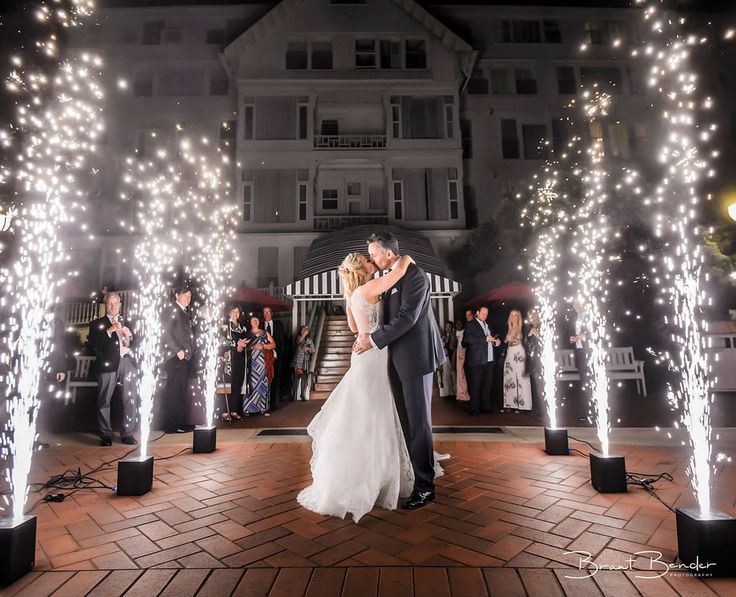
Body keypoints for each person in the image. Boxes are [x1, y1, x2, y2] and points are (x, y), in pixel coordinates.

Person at [298, 250, 419, 522]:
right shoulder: (369, 287)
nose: (371, 261)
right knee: (376, 412)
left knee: (362, 413)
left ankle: (361, 472)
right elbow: (398, 273)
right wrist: (408, 258)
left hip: (360, 355)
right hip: (374, 355)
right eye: (367, 259)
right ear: (362, 269)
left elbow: (355, 329)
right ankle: (377, 475)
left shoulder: (352, 295)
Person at [353, 231, 445, 510]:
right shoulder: (390, 276)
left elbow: (408, 318)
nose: (371, 258)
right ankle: (414, 475)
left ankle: (426, 487)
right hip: (394, 360)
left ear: (388, 253)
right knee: (406, 423)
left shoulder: (415, 275)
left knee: (419, 424)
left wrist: (373, 341)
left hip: (416, 359)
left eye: (374, 253)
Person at [87, 292, 138, 445]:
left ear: (120, 304)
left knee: (130, 399)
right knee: (104, 400)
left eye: (116, 303)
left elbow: (138, 343)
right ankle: (106, 435)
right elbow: (93, 346)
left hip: (127, 362)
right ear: (105, 305)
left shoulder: (129, 321)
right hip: (107, 364)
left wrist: (132, 337)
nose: (113, 306)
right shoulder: (97, 324)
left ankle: (128, 433)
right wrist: (108, 331)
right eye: (110, 303)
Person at [162, 286, 195, 433]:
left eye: (190, 296)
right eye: (185, 295)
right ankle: (171, 425)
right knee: (174, 390)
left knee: (181, 390)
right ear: (177, 295)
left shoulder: (184, 312)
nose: (188, 298)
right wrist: (178, 350)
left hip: (184, 357)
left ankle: (181, 422)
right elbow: (166, 332)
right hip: (175, 357)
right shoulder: (172, 309)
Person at [462, 306, 501, 416]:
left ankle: (485, 406)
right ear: (478, 313)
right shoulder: (471, 324)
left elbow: (490, 339)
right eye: (483, 313)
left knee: (487, 384)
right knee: (475, 385)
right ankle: (474, 408)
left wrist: (495, 342)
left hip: (489, 359)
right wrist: (484, 339)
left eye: (486, 314)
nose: (485, 315)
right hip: (477, 360)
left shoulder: (488, 325)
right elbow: (468, 340)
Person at [218, 304, 249, 422]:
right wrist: (236, 345)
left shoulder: (243, 328)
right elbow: (221, 341)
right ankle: (226, 411)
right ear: (229, 312)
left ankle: (235, 410)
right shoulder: (225, 327)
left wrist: (243, 344)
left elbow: (247, 339)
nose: (235, 314)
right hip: (229, 358)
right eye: (233, 311)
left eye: (237, 312)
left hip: (240, 357)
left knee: (237, 383)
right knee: (228, 383)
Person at [242, 315, 275, 416]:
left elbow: (273, 344)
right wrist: (253, 346)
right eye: (253, 320)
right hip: (251, 364)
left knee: (263, 384)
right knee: (250, 385)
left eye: (256, 320)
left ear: (259, 321)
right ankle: (247, 408)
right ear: (250, 322)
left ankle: (263, 408)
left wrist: (264, 346)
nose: (255, 322)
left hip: (263, 363)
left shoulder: (265, 333)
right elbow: (243, 348)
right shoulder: (247, 334)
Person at [503, 308, 533, 412]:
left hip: (519, 353)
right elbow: (505, 342)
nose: (513, 317)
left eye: (516, 315)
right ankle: (510, 403)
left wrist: (514, 339)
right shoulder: (507, 328)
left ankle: (524, 405)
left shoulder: (523, 327)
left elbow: (526, 341)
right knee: (509, 378)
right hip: (509, 353)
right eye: (512, 315)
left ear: (519, 317)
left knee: (522, 378)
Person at [262, 306, 289, 410]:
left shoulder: (278, 325)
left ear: (271, 313)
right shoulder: (260, 326)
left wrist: (280, 354)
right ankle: (265, 404)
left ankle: (275, 404)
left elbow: (283, 340)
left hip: (277, 358)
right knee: (265, 379)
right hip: (264, 358)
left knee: (276, 379)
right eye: (264, 312)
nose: (266, 314)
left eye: (268, 312)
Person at [526, 309, 544, 416]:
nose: (531, 318)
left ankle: (543, 408)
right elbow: (527, 343)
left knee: (541, 385)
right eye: (529, 316)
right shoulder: (528, 328)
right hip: (532, 361)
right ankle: (538, 408)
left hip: (541, 360)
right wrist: (528, 336)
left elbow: (546, 341)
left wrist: (537, 334)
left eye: (533, 316)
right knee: (536, 385)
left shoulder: (542, 326)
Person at [569, 298, 589, 390]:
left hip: (588, 350)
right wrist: (572, 339)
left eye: (578, 304)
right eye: (574, 305)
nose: (576, 306)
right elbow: (572, 334)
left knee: (589, 373)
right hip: (578, 350)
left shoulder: (588, 316)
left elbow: (591, 333)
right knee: (582, 373)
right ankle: (586, 392)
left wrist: (582, 336)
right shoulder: (575, 318)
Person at [291, 324, 314, 400]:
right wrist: (304, 334)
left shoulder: (309, 340)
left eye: (305, 329)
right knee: (296, 377)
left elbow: (313, 350)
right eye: (303, 329)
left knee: (304, 377)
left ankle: (302, 394)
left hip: (305, 361)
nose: (304, 331)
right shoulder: (298, 337)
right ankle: (293, 394)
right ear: (300, 331)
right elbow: (298, 342)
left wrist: (308, 349)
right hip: (298, 362)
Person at [439, 321, 457, 398]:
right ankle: (451, 392)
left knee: (453, 374)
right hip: (445, 357)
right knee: (447, 375)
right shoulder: (444, 335)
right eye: (446, 327)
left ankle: (455, 392)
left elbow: (452, 346)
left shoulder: (453, 335)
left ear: (452, 328)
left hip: (451, 357)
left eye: (449, 327)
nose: (447, 328)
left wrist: (444, 344)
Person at [454, 320, 470, 403]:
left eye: (460, 323)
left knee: (462, 373)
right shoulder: (455, 332)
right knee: (459, 374)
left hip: (463, 351)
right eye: (457, 323)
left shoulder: (465, 331)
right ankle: (460, 394)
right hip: (458, 351)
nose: (458, 325)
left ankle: (464, 395)